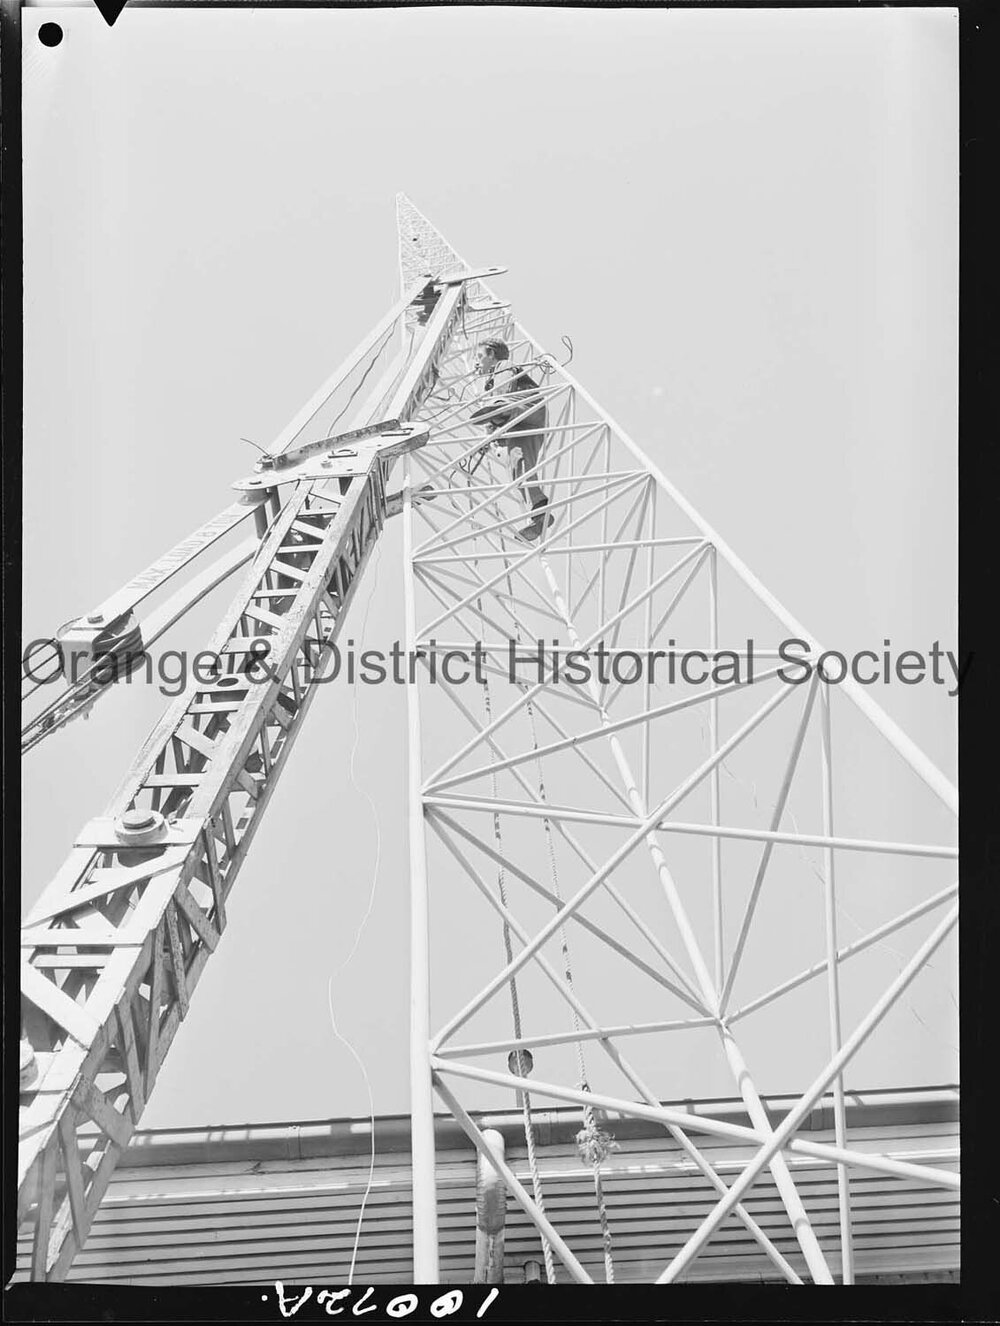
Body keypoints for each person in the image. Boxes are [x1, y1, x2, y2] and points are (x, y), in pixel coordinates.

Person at [470, 339, 553, 542]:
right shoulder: (491, 381)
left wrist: (496, 406)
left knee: (500, 404)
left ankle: (499, 411)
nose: (476, 364)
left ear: (491, 354)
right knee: (518, 463)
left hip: (527, 409)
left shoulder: (503, 367)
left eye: (479, 357)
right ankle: (539, 513)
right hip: (519, 426)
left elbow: (505, 388)